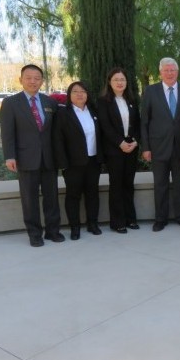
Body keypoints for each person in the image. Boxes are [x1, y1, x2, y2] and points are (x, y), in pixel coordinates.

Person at [0, 64, 63, 247]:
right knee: (29, 199)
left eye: (37, 78)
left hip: (49, 158)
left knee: (52, 197)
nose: (33, 81)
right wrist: (9, 156)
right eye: (28, 78)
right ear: (21, 80)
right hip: (25, 158)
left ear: (42, 81)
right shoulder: (11, 103)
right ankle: (34, 234)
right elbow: (7, 132)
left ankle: (53, 231)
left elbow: (56, 132)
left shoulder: (49, 102)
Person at [141, 57, 180, 232]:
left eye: (172, 70)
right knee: (160, 185)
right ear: (160, 73)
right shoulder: (150, 91)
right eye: (166, 70)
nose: (169, 73)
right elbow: (145, 121)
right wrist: (146, 147)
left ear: (177, 72)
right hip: (158, 147)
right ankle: (160, 219)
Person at [53, 81, 103, 240]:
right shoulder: (63, 113)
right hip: (72, 163)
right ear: (69, 95)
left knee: (92, 194)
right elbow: (58, 140)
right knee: (73, 196)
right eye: (75, 91)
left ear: (87, 94)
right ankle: (75, 227)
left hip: (93, 161)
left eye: (83, 91)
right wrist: (63, 164)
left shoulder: (93, 111)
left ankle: (92, 224)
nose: (80, 94)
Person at [97, 68, 140, 234]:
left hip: (131, 147)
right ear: (110, 82)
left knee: (128, 184)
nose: (120, 82)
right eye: (116, 79)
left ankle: (131, 219)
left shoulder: (132, 100)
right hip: (114, 149)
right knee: (116, 185)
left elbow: (138, 123)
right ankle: (117, 222)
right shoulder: (103, 101)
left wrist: (135, 141)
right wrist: (120, 143)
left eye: (122, 79)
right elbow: (105, 125)